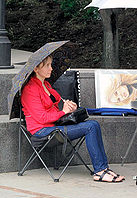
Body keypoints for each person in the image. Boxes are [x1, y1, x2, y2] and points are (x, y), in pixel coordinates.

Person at [21, 55, 125, 183]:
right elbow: (42, 118)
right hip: (42, 132)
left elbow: (58, 104)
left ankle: (104, 168)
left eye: (51, 64)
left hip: (54, 126)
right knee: (90, 127)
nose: (51, 68)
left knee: (94, 124)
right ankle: (99, 171)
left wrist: (69, 106)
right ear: (36, 69)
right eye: (47, 65)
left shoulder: (46, 85)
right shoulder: (30, 89)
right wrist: (63, 112)